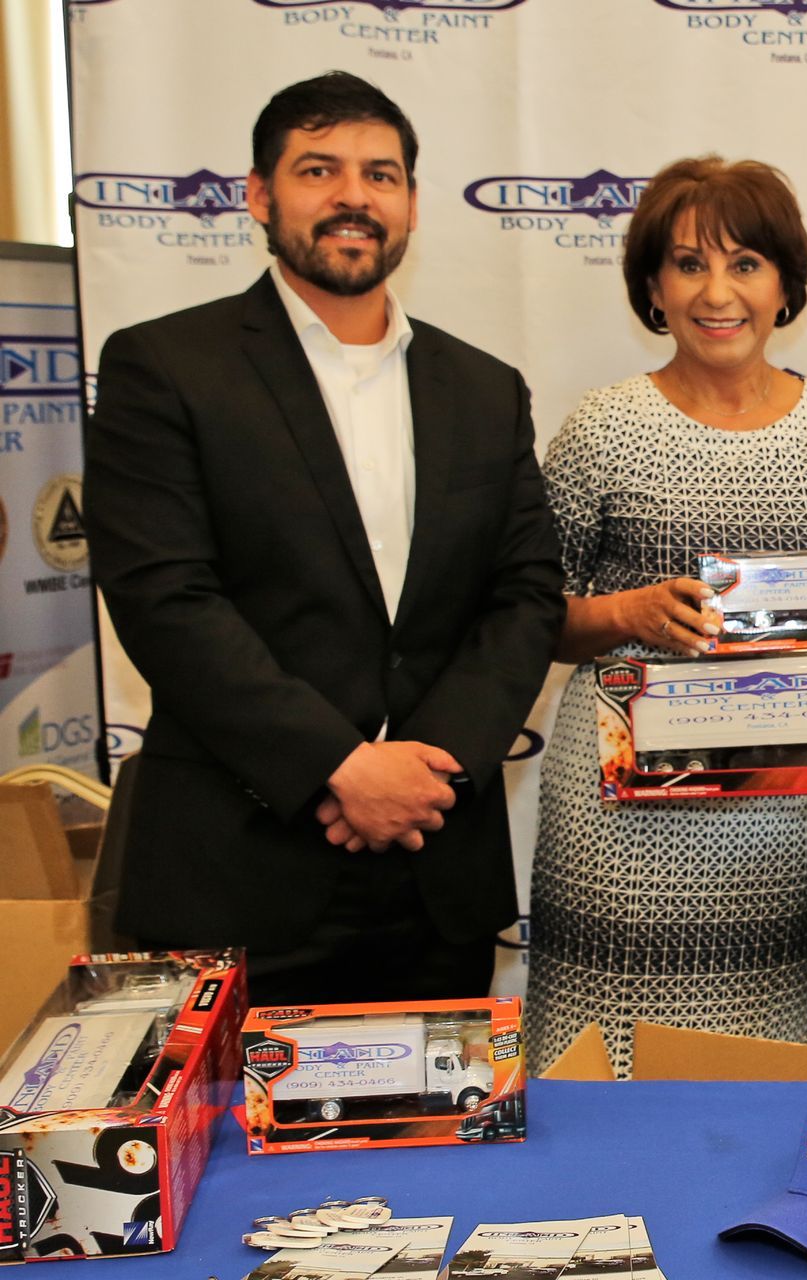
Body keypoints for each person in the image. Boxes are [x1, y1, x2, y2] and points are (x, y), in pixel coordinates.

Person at [85, 72, 565, 1003]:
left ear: (413, 204)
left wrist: (428, 773)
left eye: (381, 174)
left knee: (436, 1151)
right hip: (239, 875)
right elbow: (166, 600)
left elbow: (526, 593)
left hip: (437, 877)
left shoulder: (483, 387)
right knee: (228, 1152)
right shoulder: (164, 367)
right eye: (319, 169)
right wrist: (341, 769)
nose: (354, 195)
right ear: (260, 195)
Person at [525, 156, 807, 1075]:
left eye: (745, 265)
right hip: (618, 806)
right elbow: (528, 618)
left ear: (785, 285)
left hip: (772, 813)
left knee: (749, 1067)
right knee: (594, 1066)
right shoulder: (601, 428)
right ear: (653, 286)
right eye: (688, 265)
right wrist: (626, 610)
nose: (717, 293)